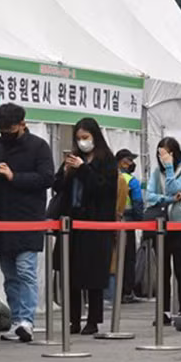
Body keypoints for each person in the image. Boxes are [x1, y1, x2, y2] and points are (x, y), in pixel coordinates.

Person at [0, 103, 54, 343]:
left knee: (25, 271)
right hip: (2, 217)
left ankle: (27, 320)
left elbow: (46, 178)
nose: (6, 134)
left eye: (10, 128)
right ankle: (16, 321)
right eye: (2, 129)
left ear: (23, 124)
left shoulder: (39, 147)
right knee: (9, 274)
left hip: (28, 218)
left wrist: (14, 177)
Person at [52, 118, 118, 335]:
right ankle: (72, 319)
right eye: (78, 138)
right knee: (70, 273)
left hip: (96, 223)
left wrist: (83, 169)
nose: (82, 143)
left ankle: (93, 320)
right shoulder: (74, 158)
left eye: (85, 138)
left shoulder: (106, 160)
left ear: (94, 137)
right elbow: (57, 186)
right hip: (72, 222)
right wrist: (66, 172)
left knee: (94, 275)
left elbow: (103, 189)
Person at [144, 138, 181, 324]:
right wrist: (168, 199)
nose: (163, 157)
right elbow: (149, 195)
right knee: (162, 271)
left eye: (166, 153)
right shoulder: (157, 172)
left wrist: (169, 168)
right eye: (160, 154)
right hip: (162, 225)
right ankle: (163, 311)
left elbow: (175, 186)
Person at [115, 149, 143, 304]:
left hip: (109, 222)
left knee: (113, 257)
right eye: (129, 160)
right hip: (128, 220)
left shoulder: (108, 176)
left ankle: (113, 292)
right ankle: (127, 291)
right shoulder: (131, 180)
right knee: (128, 257)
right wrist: (140, 220)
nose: (132, 164)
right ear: (122, 161)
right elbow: (138, 201)